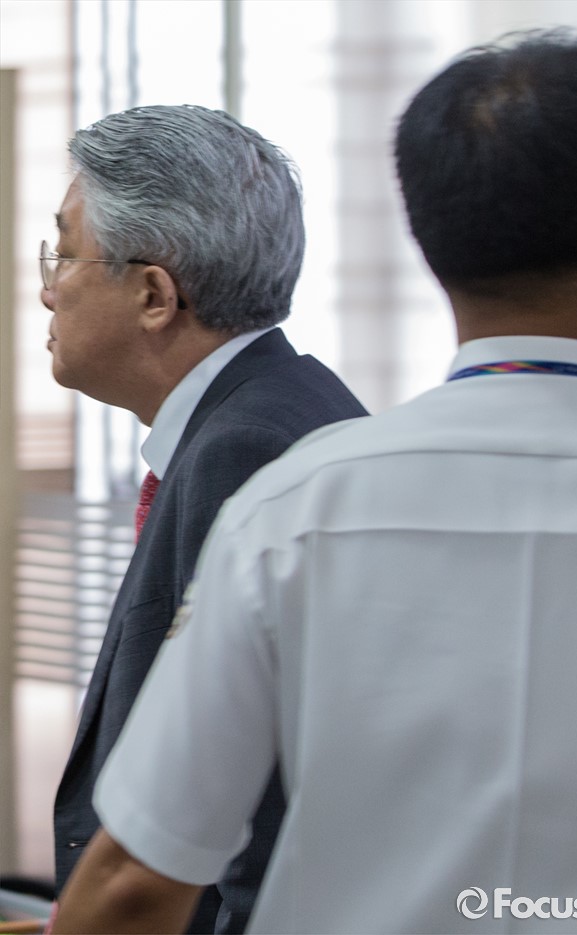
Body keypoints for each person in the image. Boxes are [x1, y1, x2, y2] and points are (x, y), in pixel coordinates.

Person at [53, 30, 577, 934]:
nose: (46, 288)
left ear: (434, 248)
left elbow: (138, 877)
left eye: (60, 255)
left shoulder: (291, 506)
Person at [43, 104, 367, 934]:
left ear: (154, 294)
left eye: (65, 254)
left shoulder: (247, 450)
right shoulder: (271, 410)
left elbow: (263, 815)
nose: (47, 287)